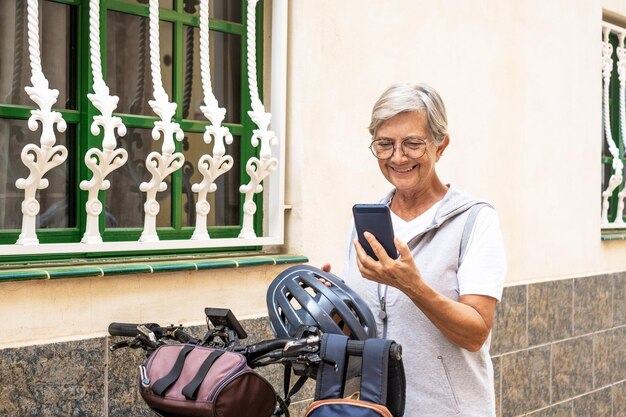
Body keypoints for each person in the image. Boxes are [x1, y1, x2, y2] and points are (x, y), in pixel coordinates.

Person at [324, 82, 506, 417]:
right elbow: (358, 329)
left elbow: (476, 332)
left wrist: (413, 286)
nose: (398, 157)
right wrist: (331, 304)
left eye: (413, 144)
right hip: (371, 409)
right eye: (385, 144)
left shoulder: (475, 220)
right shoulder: (365, 221)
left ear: (441, 146)